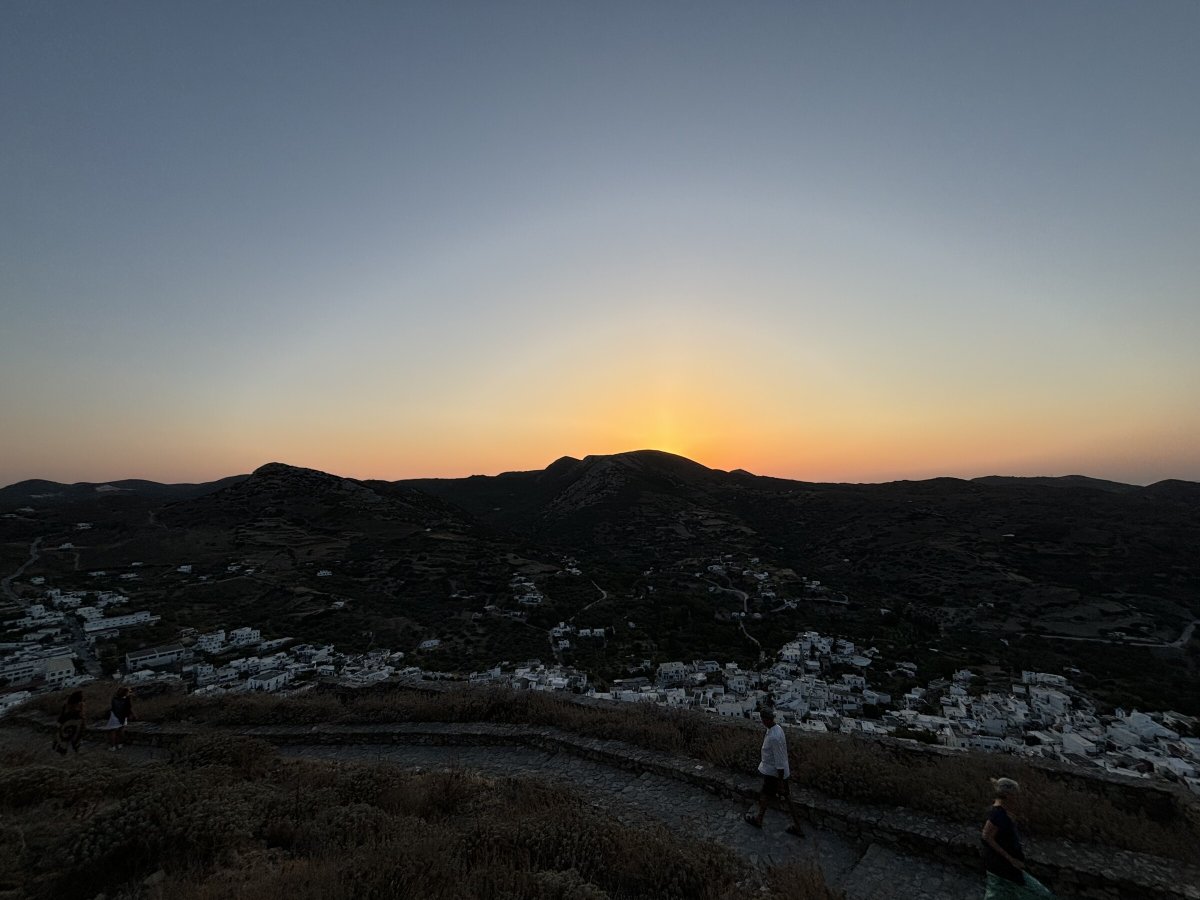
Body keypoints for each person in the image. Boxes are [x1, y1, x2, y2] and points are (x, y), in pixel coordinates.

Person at [981, 777, 1055, 898]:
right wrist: (1011, 859)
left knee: (998, 894)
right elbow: (986, 836)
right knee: (1042, 895)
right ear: (1008, 795)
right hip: (1002, 867)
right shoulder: (997, 814)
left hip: (1001, 867)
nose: (1017, 797)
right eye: (1015, 794)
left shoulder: (1001, 812)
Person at [744, 708, 804, 836]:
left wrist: (780, 782)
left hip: (775, 774)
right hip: (776, 773)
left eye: (762, 719)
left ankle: (759, 819)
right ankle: (797, 826)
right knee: (783, 797)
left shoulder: (774, 737)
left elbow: (779, 761)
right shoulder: (777, 729)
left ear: (766, 720)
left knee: (766, 795)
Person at [53, 690, 86, 755]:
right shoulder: (78, 718)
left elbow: (59, 723)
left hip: (62, 739)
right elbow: (78, 734)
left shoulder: (66, 709)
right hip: (69, 740)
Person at [107, 686, 134, 750]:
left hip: (115, 716)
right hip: (123, 716)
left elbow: (113, 706)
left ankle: (113, 746)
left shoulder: (114, 699)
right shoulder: (126, 699)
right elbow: (129, 708)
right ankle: (119, 744)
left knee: (113, 730)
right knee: (121, 730)